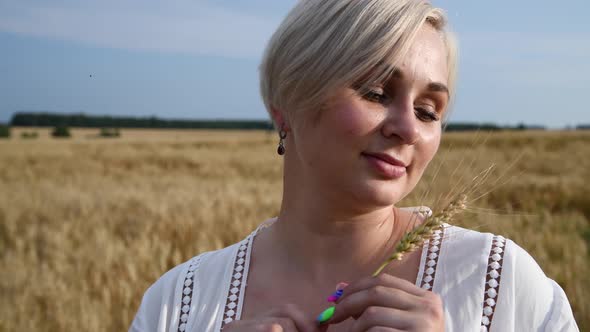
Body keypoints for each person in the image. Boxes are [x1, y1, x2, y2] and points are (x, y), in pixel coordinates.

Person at [129, 0, 579, 331]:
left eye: (428, 110)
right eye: (376, 92)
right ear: (285, 105)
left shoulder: (496, 284)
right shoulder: (178, 303)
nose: (407, 127)